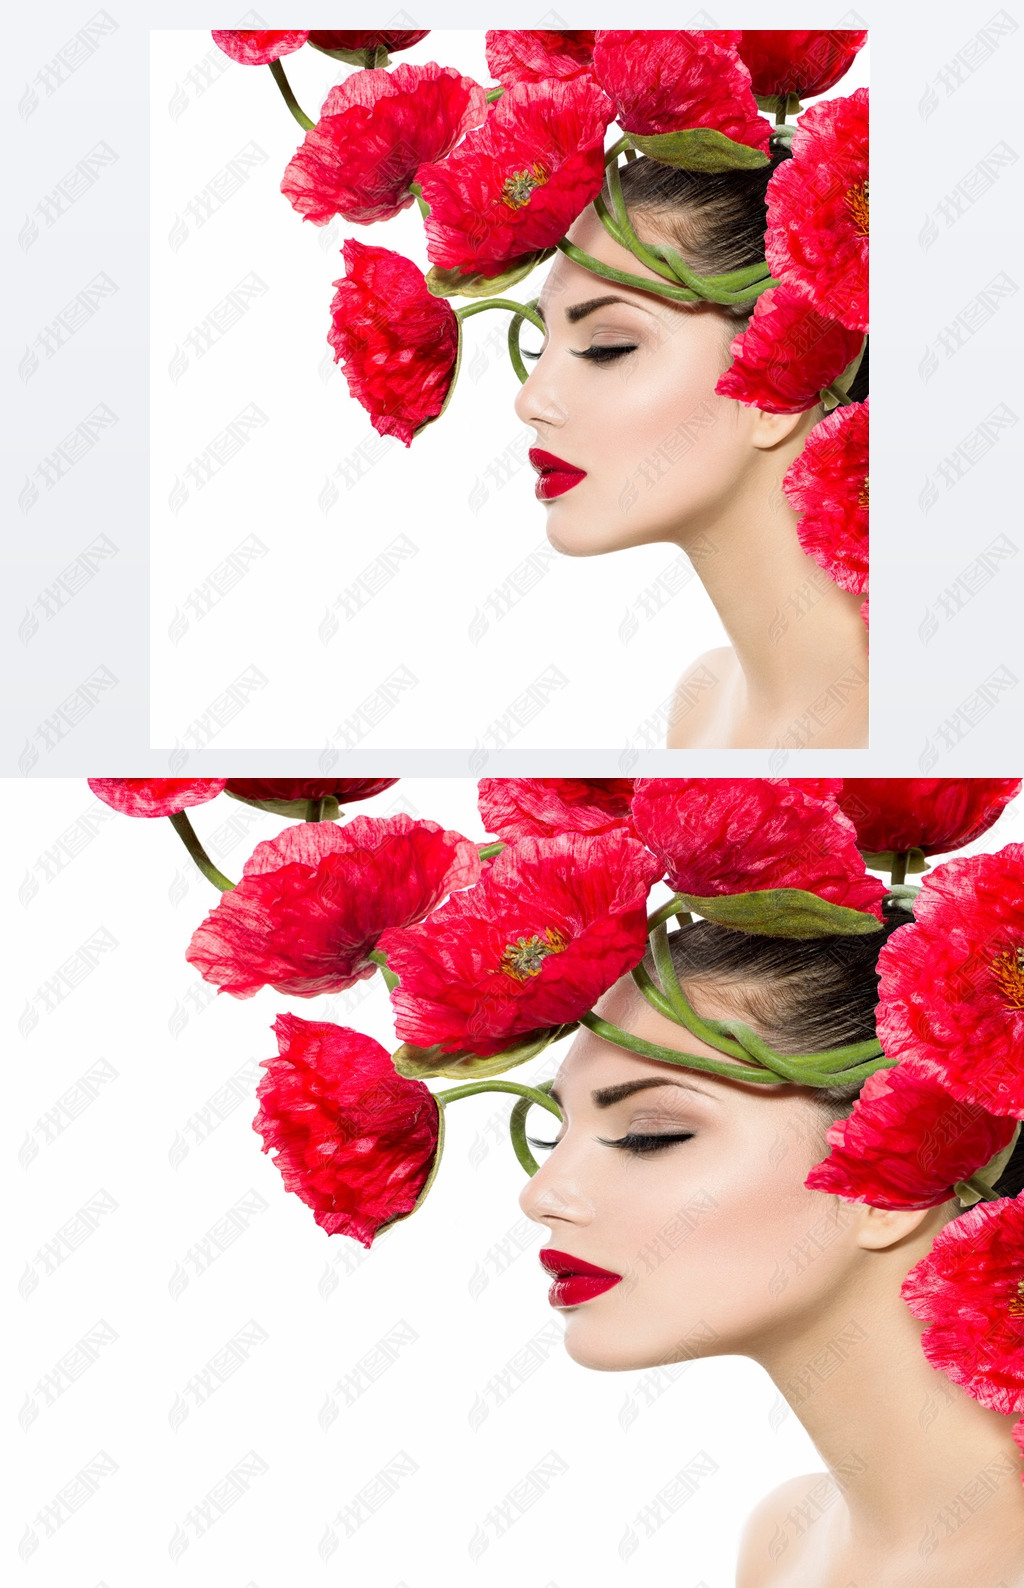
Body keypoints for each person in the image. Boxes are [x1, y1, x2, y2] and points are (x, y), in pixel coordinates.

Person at [518, 917, 1024, 1586]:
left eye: (651, 1135)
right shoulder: (785, 1543)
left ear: (896, 1169)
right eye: (557, 1137)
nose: (542, 1195)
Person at [515, 146, 868, 750]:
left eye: (608, 347)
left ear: (780, 373)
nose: (530, 401)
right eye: (537, 346)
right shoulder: (703, 700)